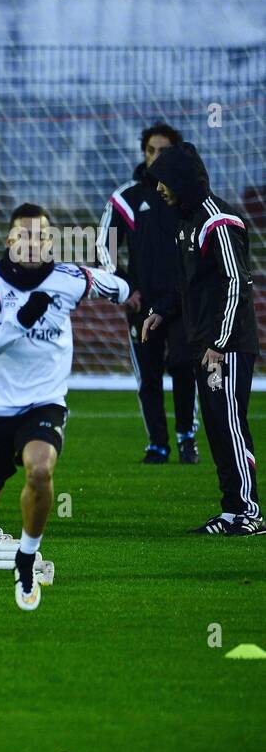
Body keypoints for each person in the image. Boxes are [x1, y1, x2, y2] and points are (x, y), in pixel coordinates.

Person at [0, 204, 132, 614]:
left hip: (44, 400)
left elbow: (116, 288)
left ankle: (26, 556)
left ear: (52, 242)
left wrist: (144, 300)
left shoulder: (69, 278)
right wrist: (22, 317)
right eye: (24, 236)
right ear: (9, 241)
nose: (33, 245)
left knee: (40, 468)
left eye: (41, 237)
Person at [144, 143, 261, 535]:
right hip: (204, 344)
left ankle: (247, 512)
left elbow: (237, 283)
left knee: (229, 424)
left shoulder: (219, 222)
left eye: (165, 182)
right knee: (216, 425)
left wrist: (220, 342)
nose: (160, 189)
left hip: (224, 346)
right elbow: (186, 286)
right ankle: (232, 511)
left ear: (182, 180)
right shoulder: (188, 223)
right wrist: (161, 311)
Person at [97, 122, 198, 464]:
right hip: (143, 303)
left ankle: (187, 439)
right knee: (149, 376)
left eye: (163, 151)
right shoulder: (126, 197)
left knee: (184, 366)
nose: (155, 157)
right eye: (150, 150)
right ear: (143, 153)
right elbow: (105, 246)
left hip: (185, 302)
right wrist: (124, 288)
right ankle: (158, 444)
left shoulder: (187, 196)